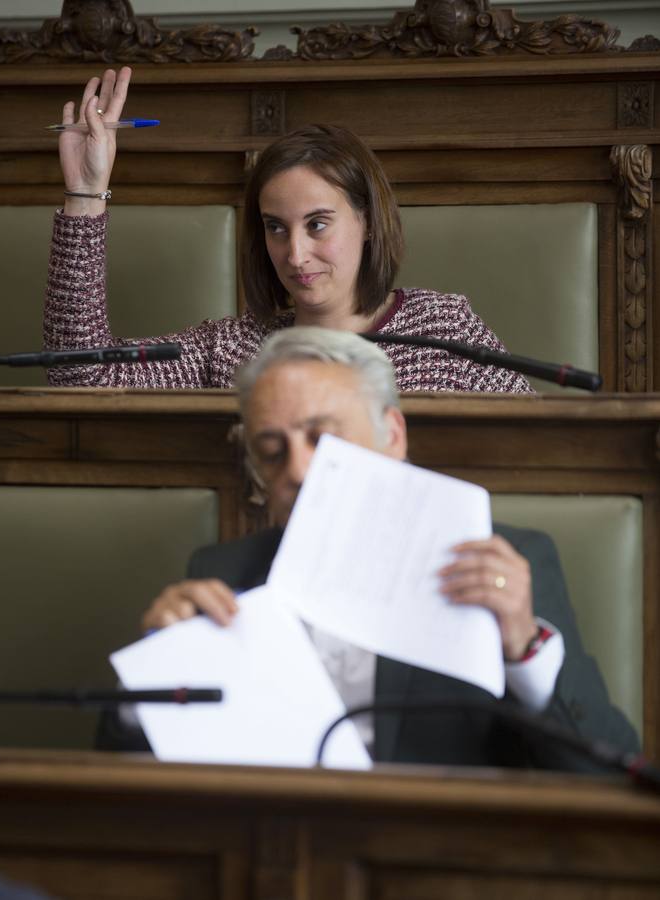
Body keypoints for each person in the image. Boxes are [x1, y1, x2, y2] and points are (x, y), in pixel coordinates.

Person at [99, 327, 638, 770]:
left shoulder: (510, 564)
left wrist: (523, 648)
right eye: (272, 451)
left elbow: (605, 775)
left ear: (393, 436)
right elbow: (123, 781)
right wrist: (155, 674)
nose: (298, 470)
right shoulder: (222, 573)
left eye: (321, 437)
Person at [45, 67, 532, 393]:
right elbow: (80, 373)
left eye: (317, 224)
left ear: (367, 222)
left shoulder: (444, 328)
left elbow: (535, 449)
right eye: (276, 228)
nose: (295, 254)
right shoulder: (235, 348)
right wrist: (85, 193)